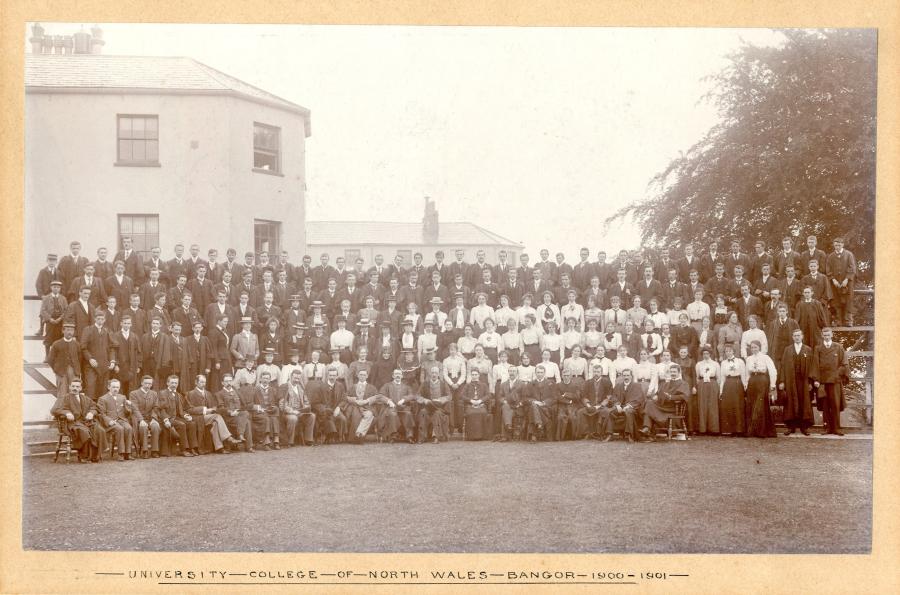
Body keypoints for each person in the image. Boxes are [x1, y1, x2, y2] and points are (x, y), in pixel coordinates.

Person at [51, 377, 105, 463]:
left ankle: (95, 456)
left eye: (77, 387)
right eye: (73, 386)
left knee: (99, 430)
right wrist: (66, 413)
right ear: (69, 387)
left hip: (84, 422)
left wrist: (91, 413)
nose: (75, 388)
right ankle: (83, 456)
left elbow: (95, 407)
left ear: (80, 388)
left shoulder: (85, 398)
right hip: (71, 424)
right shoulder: (64, 398)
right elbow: (54, 410)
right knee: (84, 431)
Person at [778, 328, 817, 436]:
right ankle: (791, 427)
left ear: (802, 336)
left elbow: (812, 367)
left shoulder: (808, 349)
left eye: (798, 335)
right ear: (792, 337)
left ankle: (804, 427)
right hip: (790, 380)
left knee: (804, 402)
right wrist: (782, 381)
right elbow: (782, 366)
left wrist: (810, 382)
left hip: (803, 381)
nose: (797, 337)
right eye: (795, 336)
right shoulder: (788, 350)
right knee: (790, 402)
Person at [812, 327, 849, 436]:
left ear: (832, 335)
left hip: (835, 381)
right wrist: (816, 379)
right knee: (825, 405)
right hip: (823, 382)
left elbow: (844, 364)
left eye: (828, 335)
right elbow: (815, 365)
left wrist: (836, 375)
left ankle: (837, 428)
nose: (827, 337)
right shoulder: (818, 348)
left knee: (835, 405)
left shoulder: (838, 347)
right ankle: (827, 428)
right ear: (822, 335)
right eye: (825, 335)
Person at [639, 363, 688, 440]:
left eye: (674, 372)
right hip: (662, 406)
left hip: (673, 408)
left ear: (679, 373)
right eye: (671, 372)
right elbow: (659, 393)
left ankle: (647, 429)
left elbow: (684, 396)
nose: (673, 374)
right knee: (649, 402)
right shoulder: (666, 384)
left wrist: (671, 397)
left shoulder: (683, 383)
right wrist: (656, 396)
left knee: (649, 406)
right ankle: (647, 428)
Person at [157, 374, 199, 456]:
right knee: (182, 425)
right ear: (167, 383)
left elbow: (182, 410)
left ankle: (192, 448)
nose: (174, 385)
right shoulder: (163, 394)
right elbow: (161, 409)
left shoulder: (179, 395)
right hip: (168, 419)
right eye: (172, 383)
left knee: (192, 424)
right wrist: (165, 420)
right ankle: (183, 449)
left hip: (178, 418)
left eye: (176, 383)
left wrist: (186, 416)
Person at [80, 310, 118, 400]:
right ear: (95, 319)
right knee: (90, 388)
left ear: (104, 320)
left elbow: (113, 347)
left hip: (105, 366)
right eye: (98, 319)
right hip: (91, 365)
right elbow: (83, 347)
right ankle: (90, 411)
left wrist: (112, 361)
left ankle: (101, 411)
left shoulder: (107, 331)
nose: (100, 321)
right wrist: (90, 359)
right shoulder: (88, 330)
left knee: (103, 391)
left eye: (102, 319)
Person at [744, 339, 778, 438]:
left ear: (759, 347)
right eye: (752, 347)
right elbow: (747, 373)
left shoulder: (765, 357)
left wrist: (772, 384)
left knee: (760, 405)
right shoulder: (749, 359)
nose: (754, 349)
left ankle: (762, 431)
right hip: (752, 382)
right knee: (752, 404)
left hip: (762, 381)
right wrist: (746, 384)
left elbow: (773, 370)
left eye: (756, 347)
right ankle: (752, 430)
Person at [96, 378, 135, 460]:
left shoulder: (122, 397)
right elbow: (101, 414)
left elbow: (127, 412)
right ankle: (121, 453)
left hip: (121, 419)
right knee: (120, 429)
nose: (115, 389)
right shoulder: (103, 399)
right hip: (110, 422)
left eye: (117, 387)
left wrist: (129, 407)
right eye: (113, 387)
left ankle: (128, 453)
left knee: (129, 428)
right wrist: (109, 421)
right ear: (108, 387)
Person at [604, 368, 644, 442]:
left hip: (632, 408)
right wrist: (617, 405)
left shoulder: (637, 386)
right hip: (620, 407)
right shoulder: (618, 386)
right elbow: (613, 397)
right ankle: (609, 434)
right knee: (610, 412)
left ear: (631, 376)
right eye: (624, 375)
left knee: (629, 412)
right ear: (622, 376)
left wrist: (628, 406)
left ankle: (630, 435)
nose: (626, 377)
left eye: (628, 375)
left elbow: (639, 399)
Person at [377, 368, 416, 443]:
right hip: (391, 408)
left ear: (402, 376)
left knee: (408, 414)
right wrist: (388, 401)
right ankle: (393, 435)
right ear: (393, 376)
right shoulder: (387, 385)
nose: (397, 376)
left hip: (402, 408)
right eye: (396, 374)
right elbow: (380, 395)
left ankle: (409, 436)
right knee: (392, 414)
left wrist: (404, 400)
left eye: (399, 374)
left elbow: (411, 395)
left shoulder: (406, 386)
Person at [278, 369, 316, 446]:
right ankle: (289, 441)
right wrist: (292, 411)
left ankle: (308, 439)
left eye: (298, 378)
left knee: (312, 416)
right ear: (290, 377)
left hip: (300, 411)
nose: (296, 380)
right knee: (293, 418)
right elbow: (282, 405)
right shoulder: (284, 387)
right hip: (287, 413)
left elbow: (306, 401)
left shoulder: (300, 388)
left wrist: (306, 407)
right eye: (295, 378)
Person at [216, 373, 253, 451]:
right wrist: (230, 412)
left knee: (245, 413)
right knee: (247, 421)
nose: (229, 383)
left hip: (239, 415)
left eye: (230, 381)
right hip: (228, 417)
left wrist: (238, 410)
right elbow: (220, 408)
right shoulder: (219, 394)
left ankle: (241, 435)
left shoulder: (237, 392)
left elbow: (244, 405)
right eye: (226, 381)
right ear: (222, 383)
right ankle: (248, 445)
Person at [718, 343, 749, 435]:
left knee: (738, 406)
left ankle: (739, 430)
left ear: (733, 351)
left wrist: (745, 387)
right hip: (728, 384)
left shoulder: (740, 361)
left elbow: (743, 375)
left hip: (737, 383)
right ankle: (731, 430)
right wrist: (721, 391)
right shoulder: (723, 363)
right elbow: (722, 378)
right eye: (726, 351)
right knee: (729, 406)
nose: (728, 353)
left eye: (730, 351)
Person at [825, 237, 857, 326]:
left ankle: (848, 321)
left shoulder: (848, 255)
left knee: (848, 300)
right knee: (836, 301)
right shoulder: (831, 256)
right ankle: (838, 320)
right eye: (835, 245)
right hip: (835, 283)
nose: (837, 247)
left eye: (839, 245)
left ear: (842, 245)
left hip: (847, 283)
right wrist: (833, 280)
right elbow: (828, 270)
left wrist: (846, 279)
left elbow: (852, 268)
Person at [416, 366, 452, 443]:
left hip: (439, 408)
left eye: (436, 373)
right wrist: (424, 400)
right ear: (429, 374)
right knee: (423, 412)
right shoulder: (425, 384)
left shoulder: (443, 384)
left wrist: (440, 400)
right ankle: (422, 437)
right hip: (428, 407)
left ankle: (436, 437)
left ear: (438, 374)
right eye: (432, 373)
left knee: (437, 413)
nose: (434, 375)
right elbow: (417, 395)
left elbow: (449, 396)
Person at [129, 375, 161, 458]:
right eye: (146, 383)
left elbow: (156, 407)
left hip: (150, 418)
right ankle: (144, 450)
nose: (148, 386)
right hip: (138, 418)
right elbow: (134, 408)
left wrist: (154, 418)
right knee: (143, 427)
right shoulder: (134, 393)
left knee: (155, 426)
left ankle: (155, 450)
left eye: (150, 384)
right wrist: (141, 420)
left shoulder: (154, 394)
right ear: (141, 383)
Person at [344, 368, 379, 443]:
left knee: (369, 415)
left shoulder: (372, 387)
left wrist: (366, 401)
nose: (362, 376)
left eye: (364, 375)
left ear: (367, 376)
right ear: (358, 376)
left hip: (367, 407)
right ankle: (356, 437)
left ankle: (359, 434)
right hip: (355, 407)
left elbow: (376, 397)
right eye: (360, 374)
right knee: (355, 416)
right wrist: (355, 400)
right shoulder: (353, 386)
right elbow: (346, 397)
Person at [250, 370, 282, 450]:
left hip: (270, 411)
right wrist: (258, 407)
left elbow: (277, 402)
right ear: (260, 379)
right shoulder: (254, 389)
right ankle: (266, 441)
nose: (265, 380)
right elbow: (250, 404)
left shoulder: (273, 389)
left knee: (274, 417)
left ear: (270, 380)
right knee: (267, 418)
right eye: (264, 378)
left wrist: (274, 406)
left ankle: (276, 440)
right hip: (259, 413)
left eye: (267, 379)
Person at [695, 345, 721, 435]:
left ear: (710, 354)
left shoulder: (715, 364)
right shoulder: (699, 364)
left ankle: (713, 429)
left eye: (707, 353)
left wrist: (717, 387)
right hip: (702, 385)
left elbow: (718, 377)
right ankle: (703, 429)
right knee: (702, 405)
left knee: (713, 405)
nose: (705, 355)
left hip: (712, 384)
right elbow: (697, 377)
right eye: (704, 353)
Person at [462, 368, 492, 441]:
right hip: (470, 405)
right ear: (471, 376)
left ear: (479, 375)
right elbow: (462, 395)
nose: (474, 376)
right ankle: (471, 436)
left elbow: (488, 395)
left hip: (481, 404)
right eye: (473, 375)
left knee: (482, 412)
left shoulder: (484, 385)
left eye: (476, 374)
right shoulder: (467, 385)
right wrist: (470, 400)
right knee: (471, 413)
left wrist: (480, 401)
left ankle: (482, 436)